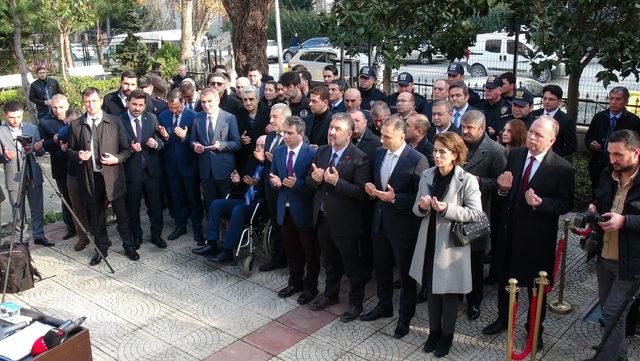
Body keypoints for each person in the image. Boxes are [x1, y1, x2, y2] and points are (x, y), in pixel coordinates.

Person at [483, 116, 575, 350]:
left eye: (539, 135)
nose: (532, 137)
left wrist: (540, 203)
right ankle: (503, 318)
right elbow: (505, 191)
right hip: (508, 231)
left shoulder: (562, 168)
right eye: (531, 132)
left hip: (536, 239)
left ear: (552, 140)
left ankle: (534, 328)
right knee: (505, 279)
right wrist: (503, 190)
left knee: (536, 286)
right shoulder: (515, 155)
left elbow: (566, 204)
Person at [410, 132, 484, 357]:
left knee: (449, 294)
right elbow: (416, 209)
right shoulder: (427, 175)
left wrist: (447, 209)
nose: (436, 155)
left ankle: (447, 336)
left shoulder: (467, 179)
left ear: (455, 154)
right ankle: (434, 332)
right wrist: (422, 207)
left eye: (442, 151)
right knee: (431, 290)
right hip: (429, 239)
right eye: (435, 150)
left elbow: (476, 214)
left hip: (452, 245)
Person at [360, 115, 429, 339]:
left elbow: (422, 197)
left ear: (401, 135)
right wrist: (371, 188)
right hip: (380, 221)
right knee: (381, 268)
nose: (382, 141)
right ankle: (384, 304)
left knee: (406, 276)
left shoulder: (417, 159)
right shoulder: (379, 153)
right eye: (381, 135)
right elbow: (376, 182)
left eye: (387, 137)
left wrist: (395, 198)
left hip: (403, 226)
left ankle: (405, 317)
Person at [306, 113, 370, 322]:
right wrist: (314, 180)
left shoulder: (360, 157)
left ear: (349, 134)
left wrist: (336, 182)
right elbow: (310, 180)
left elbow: (361, 192)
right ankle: (330, 294)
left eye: (338, 129)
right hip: (323, 217)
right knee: (330, 261)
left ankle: (355, 303)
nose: (332, 132)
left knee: (352, 266)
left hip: (346, 222)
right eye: (331, 127)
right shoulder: (322, 152)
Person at [587, 129, 640, 361]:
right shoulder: (608, 173)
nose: (612, 160)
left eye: (618, 154)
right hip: (604, 254)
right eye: (610, 154)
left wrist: (625, 221)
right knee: (612, 315)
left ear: (636, 152)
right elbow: (600, 200)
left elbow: (625, 219)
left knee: (612, 312)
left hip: (631, 262)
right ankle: (619, 357)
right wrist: (594, 209)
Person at [67, 88, 133, 266]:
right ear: (83, 103)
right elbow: (70, 150)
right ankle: (101, 248)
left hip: (113, 176)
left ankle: (128, 245)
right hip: (90, 178)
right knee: (96, 216)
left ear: (100, 100)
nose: (91, 105)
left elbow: (127, 150)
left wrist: (116, 159)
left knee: (122, 213)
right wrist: (78, 155)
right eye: (87, 102)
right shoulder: (76, 124)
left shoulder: (114, 121)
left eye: (94, 101)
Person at [459, 110, 507, 320]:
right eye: (463, 127)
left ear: (482, 128)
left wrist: (479, 183)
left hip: (479, 214)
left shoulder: (495, 151)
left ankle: (474, 301)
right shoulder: (458, 144)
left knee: (475, 261)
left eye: (470, 128)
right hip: (455, 212)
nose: (465, 132)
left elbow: (502, 183)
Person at [270, 116, 318, 305]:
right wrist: (274, 182)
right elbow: (273, 175)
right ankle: (294, 282)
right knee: (291, 249)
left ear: (301, 134)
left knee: (310, 251)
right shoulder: (280, 152)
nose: (285, 136)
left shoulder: (311, 154)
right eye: (284, 132)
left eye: (289, 133)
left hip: (303, 209)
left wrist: (297, 184)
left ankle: (311, 286)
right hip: (284, 208)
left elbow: (313, 184)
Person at [204, 135, 267, 263]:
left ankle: (227, 251)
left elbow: (270, 190)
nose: (258, 149)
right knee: (216, 204)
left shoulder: (272, 163)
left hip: (259, 205)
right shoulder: (252, 158)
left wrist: (256, 183)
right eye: (256, 146)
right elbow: (244, 180)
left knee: (238, 210)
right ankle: (211, 243)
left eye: (262, 146)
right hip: (244, 200)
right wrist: (238, 180)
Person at [119, 89, 166, 260]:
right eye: (134, 104)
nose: (137, 108)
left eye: (140, 105)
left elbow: (161, 141)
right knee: (133, 207)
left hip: (151, 170)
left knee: (155, 206)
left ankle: (156, 235)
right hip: (132, 171)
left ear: (145, 105)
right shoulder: (119, 120)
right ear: (128, 103)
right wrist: (130, 149)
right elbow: (116, 145)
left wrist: (156, 144)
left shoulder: (151, 118)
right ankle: (136, 237)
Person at [0, 102, 52, 247]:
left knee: (37, 207)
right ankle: (21, 238)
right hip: (13, 176)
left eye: (19, 116)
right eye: (12, 117)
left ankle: (39, 235)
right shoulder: (0, 131)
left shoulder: (32, 128)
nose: (16, 120)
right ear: (5, 115)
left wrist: (39, 148)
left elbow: (40, 152)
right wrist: (5, 157)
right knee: (17, 209)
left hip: (33, 173)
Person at [158, 90, 203, 244]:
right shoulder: (163, 116)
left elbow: (198, 139)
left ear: (183, 102)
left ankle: (197, 228)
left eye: (177, 107)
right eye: (171, 108)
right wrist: (164, 137)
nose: (174, 111)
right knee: (176, 197)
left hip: (189, 164)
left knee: (193, 198)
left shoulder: (194, 116)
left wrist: (185, 137)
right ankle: (180, 225)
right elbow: (161, 140)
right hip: (171, 165)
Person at [254, 103, 291, 271]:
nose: (271, 120)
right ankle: (278, 258)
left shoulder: (292, 137)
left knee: (286, 226)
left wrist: (274, 158)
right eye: (270, 116)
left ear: (285, 118)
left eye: (275, 117)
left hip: (285, 189)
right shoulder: (270, 136)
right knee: (276, 224)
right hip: (270, 188)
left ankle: (288, 259)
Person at [190, 88, 241, 206]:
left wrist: (221, 145)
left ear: (217, 100)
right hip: (205, 170)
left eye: (209, 101)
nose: (206, 105)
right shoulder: (198, 117)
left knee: (226, 204)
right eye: (203, 102)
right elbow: (192, 140)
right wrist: (195, 145)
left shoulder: (229, 118)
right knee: (210, 204)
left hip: (224, 169)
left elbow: (237, 143)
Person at [585, 86, 640, 193]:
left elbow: (636, 145)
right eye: (611, 98)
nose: (613, 102)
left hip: (621, 167)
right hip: (598, 164)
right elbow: (588, 137)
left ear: (626, 102)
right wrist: (591, 143)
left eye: (618, 99)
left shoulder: (634, 121)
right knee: (597, 193)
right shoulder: (599, 117)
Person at [38, 94, 75, 240]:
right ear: (50, 106)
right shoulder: (44, 122)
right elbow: (42, 146)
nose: (58, 110)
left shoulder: (75, 116)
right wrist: (54, 141)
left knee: (83, 196)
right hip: (60, 166)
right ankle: (71, 227)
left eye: (61, 107)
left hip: (79, 163)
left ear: (67, 105)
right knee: (66, 198)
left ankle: (89, 225)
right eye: (54, 107)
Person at [59, 108, 92, 251]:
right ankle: (82, 237)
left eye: (75, 122)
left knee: (94, 205)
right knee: (77, 206)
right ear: (66, 121)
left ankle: (100, 235)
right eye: (70, 122)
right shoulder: (65, 132)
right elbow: (60, 137)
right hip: (72, 173)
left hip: (89, 172)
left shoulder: (86, 129)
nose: (73, 125)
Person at [531, 84, 577, 157]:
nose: (547, 102)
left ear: (559, 101)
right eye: (545, 98)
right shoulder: (534, 114)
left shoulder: (567, 120)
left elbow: (571, 146)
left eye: (551, 99)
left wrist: (552, 155)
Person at [236, 86, 270, 171]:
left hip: (264, 160)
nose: (248, 103)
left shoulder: (268, 113)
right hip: (244, 159)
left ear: (258, 99)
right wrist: (241, 140)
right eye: (245, 100)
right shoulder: (237, 114)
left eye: (251, 99)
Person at [475, 75, 513, 140]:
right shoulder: (478, 107)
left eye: (491, 88)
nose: (487, 91)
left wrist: (495, 133)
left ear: (500, 90)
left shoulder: (509, 109)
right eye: (487, 88)